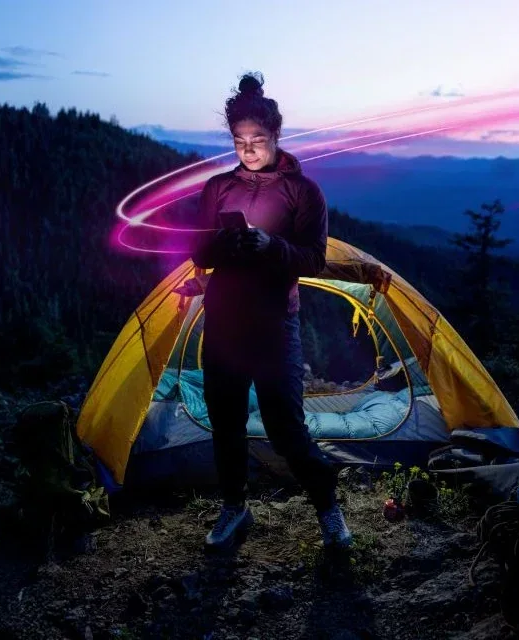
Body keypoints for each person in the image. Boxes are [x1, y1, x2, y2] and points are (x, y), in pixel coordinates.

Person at [190, 72, 353, 551]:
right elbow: (200, 253)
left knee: (286, 427)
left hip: (274, 324)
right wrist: (224, 242)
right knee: (226, 420)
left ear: (276, 136)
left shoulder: (304, 192)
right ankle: (234, 508)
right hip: (223, 323)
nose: (248, 149)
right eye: (240, 141)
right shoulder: (217, 188)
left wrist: (268, 245)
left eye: (257, 140)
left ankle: (328, 508)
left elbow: (313, 258)